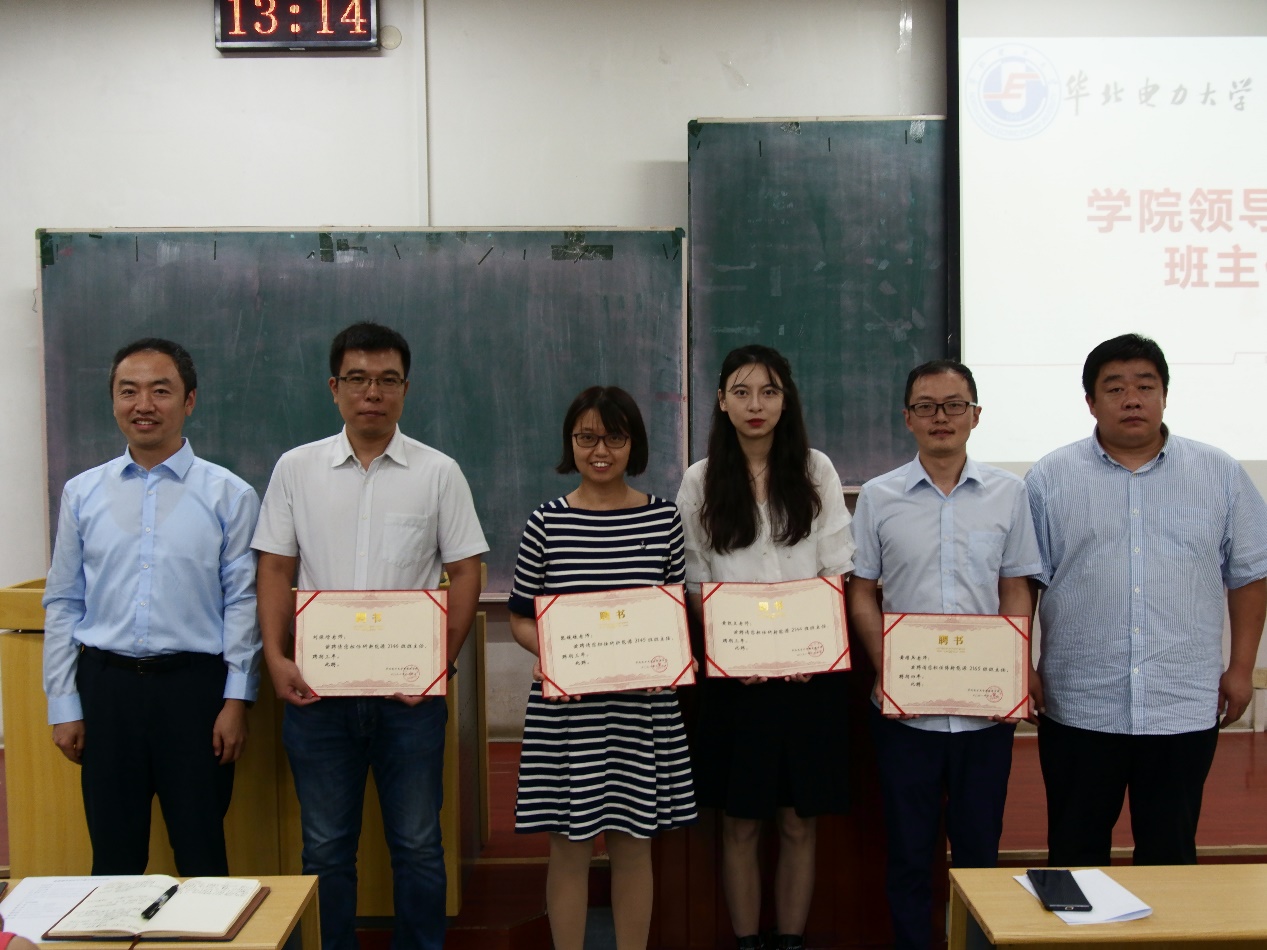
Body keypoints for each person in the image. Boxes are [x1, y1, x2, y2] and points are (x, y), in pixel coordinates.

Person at [252, 322, 488, 950]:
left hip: (409, 700)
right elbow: (274, 567)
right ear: (334, 388)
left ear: (405, 389)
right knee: (325, 848)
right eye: (357, 379)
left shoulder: (438, 472)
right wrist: (274, 656)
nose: (372, 393)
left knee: (418, 844)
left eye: (387, 380)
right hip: (317, 695)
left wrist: (439, 661)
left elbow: (468, 571)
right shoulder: (296, 469)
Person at [1026, 332, 1267, 867]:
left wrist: (1241, 668)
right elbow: (1024, 580)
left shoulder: (1220, 473)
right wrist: (1020, 662)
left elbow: (1251, 575)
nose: (1132, 399)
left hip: (1181, 701)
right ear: (1091, 402)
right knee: (1075, 854)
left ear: (1164, 395)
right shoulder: (1049, 477)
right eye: (1115, 388)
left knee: (1170, 856)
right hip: (1079, 700)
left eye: (1145, 386)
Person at [42, 338, 261, 875]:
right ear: (114, 401)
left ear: (189, 400)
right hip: (106, 691)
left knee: (203, 857)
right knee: (113, 862)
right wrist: (64, 704)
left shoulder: (229, 495)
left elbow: (244, 603)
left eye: (160, 391)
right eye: (129, 391)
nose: (143, 405)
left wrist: (237, 700)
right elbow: (65, 601)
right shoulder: (81, 494)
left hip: (196, 693)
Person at [847, 360, 1041, 950]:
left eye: (954, 405)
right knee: (909, 854)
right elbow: (862, 591)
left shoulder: (1009, 493)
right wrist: (889, 667)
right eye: (926, 406)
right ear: (907, 417)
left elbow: (1015, 587)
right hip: (906, 715)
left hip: (984, 714)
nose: (941, 417)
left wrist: (1015, 670)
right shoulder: (879, 496)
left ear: (975, 416)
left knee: (981, 853)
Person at [676, 344, 853, 950]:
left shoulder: (815, 469)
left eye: (770, 391)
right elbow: (695, 579)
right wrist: (734, 652)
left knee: (799, 822)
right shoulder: (700, 480)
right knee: (740, 824)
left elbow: (836, 568)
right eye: (742, 392)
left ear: (786, 400)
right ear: (722, 401)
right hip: (736, 683)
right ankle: (748, 942)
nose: (757, 404)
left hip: (810, 679)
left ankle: (791, 941)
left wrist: (811, 649)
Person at [509, 385, 697, 950]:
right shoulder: (546, 522)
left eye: (614, 438)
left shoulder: (663, 518)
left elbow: (673, 612)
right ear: (570, 442)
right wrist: (552, 657)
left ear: (632, 444)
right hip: (569, 713)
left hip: (641, 712)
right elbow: (520, 618)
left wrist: (672, 652)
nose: (600, 450)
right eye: (586, 437)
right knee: (568, 848)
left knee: (634, 846)